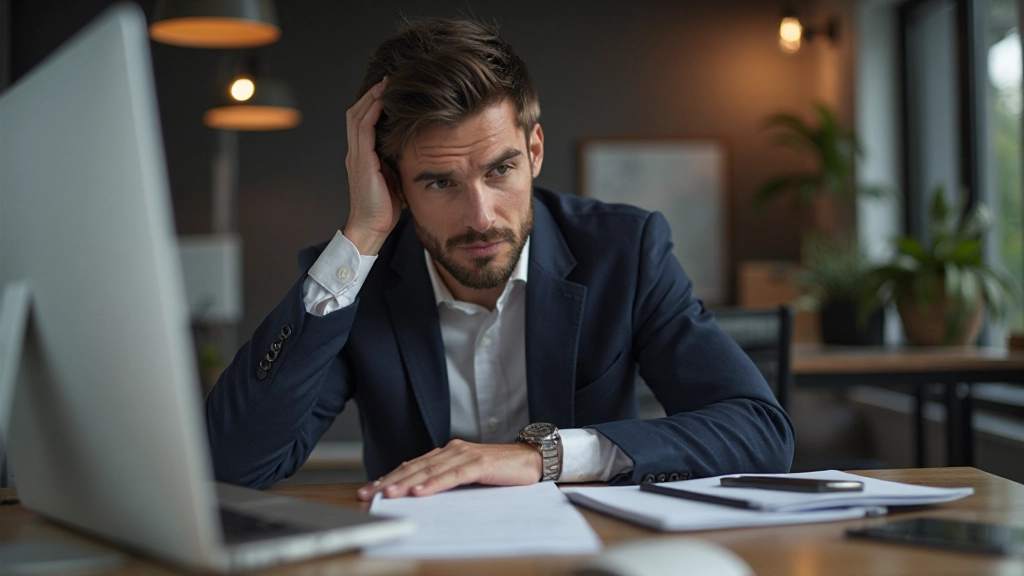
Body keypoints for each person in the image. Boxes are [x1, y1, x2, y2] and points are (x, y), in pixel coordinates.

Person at [205, 18, 794, 500]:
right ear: (392, 181)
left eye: (499, 170)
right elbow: (236, 465)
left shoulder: (625, 251)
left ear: (534, 151)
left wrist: (545, 456)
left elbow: (759, 431)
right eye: (439, 183)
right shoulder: (355, 279)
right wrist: (360, 235)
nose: (481, 216)